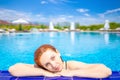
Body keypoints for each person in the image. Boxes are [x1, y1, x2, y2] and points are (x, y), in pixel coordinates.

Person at [9, 44, 112, 78]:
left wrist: (71, 72)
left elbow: (106, 71)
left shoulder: (70, 65)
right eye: (47, 64)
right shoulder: (43, 69)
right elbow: (13, 69)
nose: (53, 65)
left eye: (53, 58)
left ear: (58, 52)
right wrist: (43, 72)